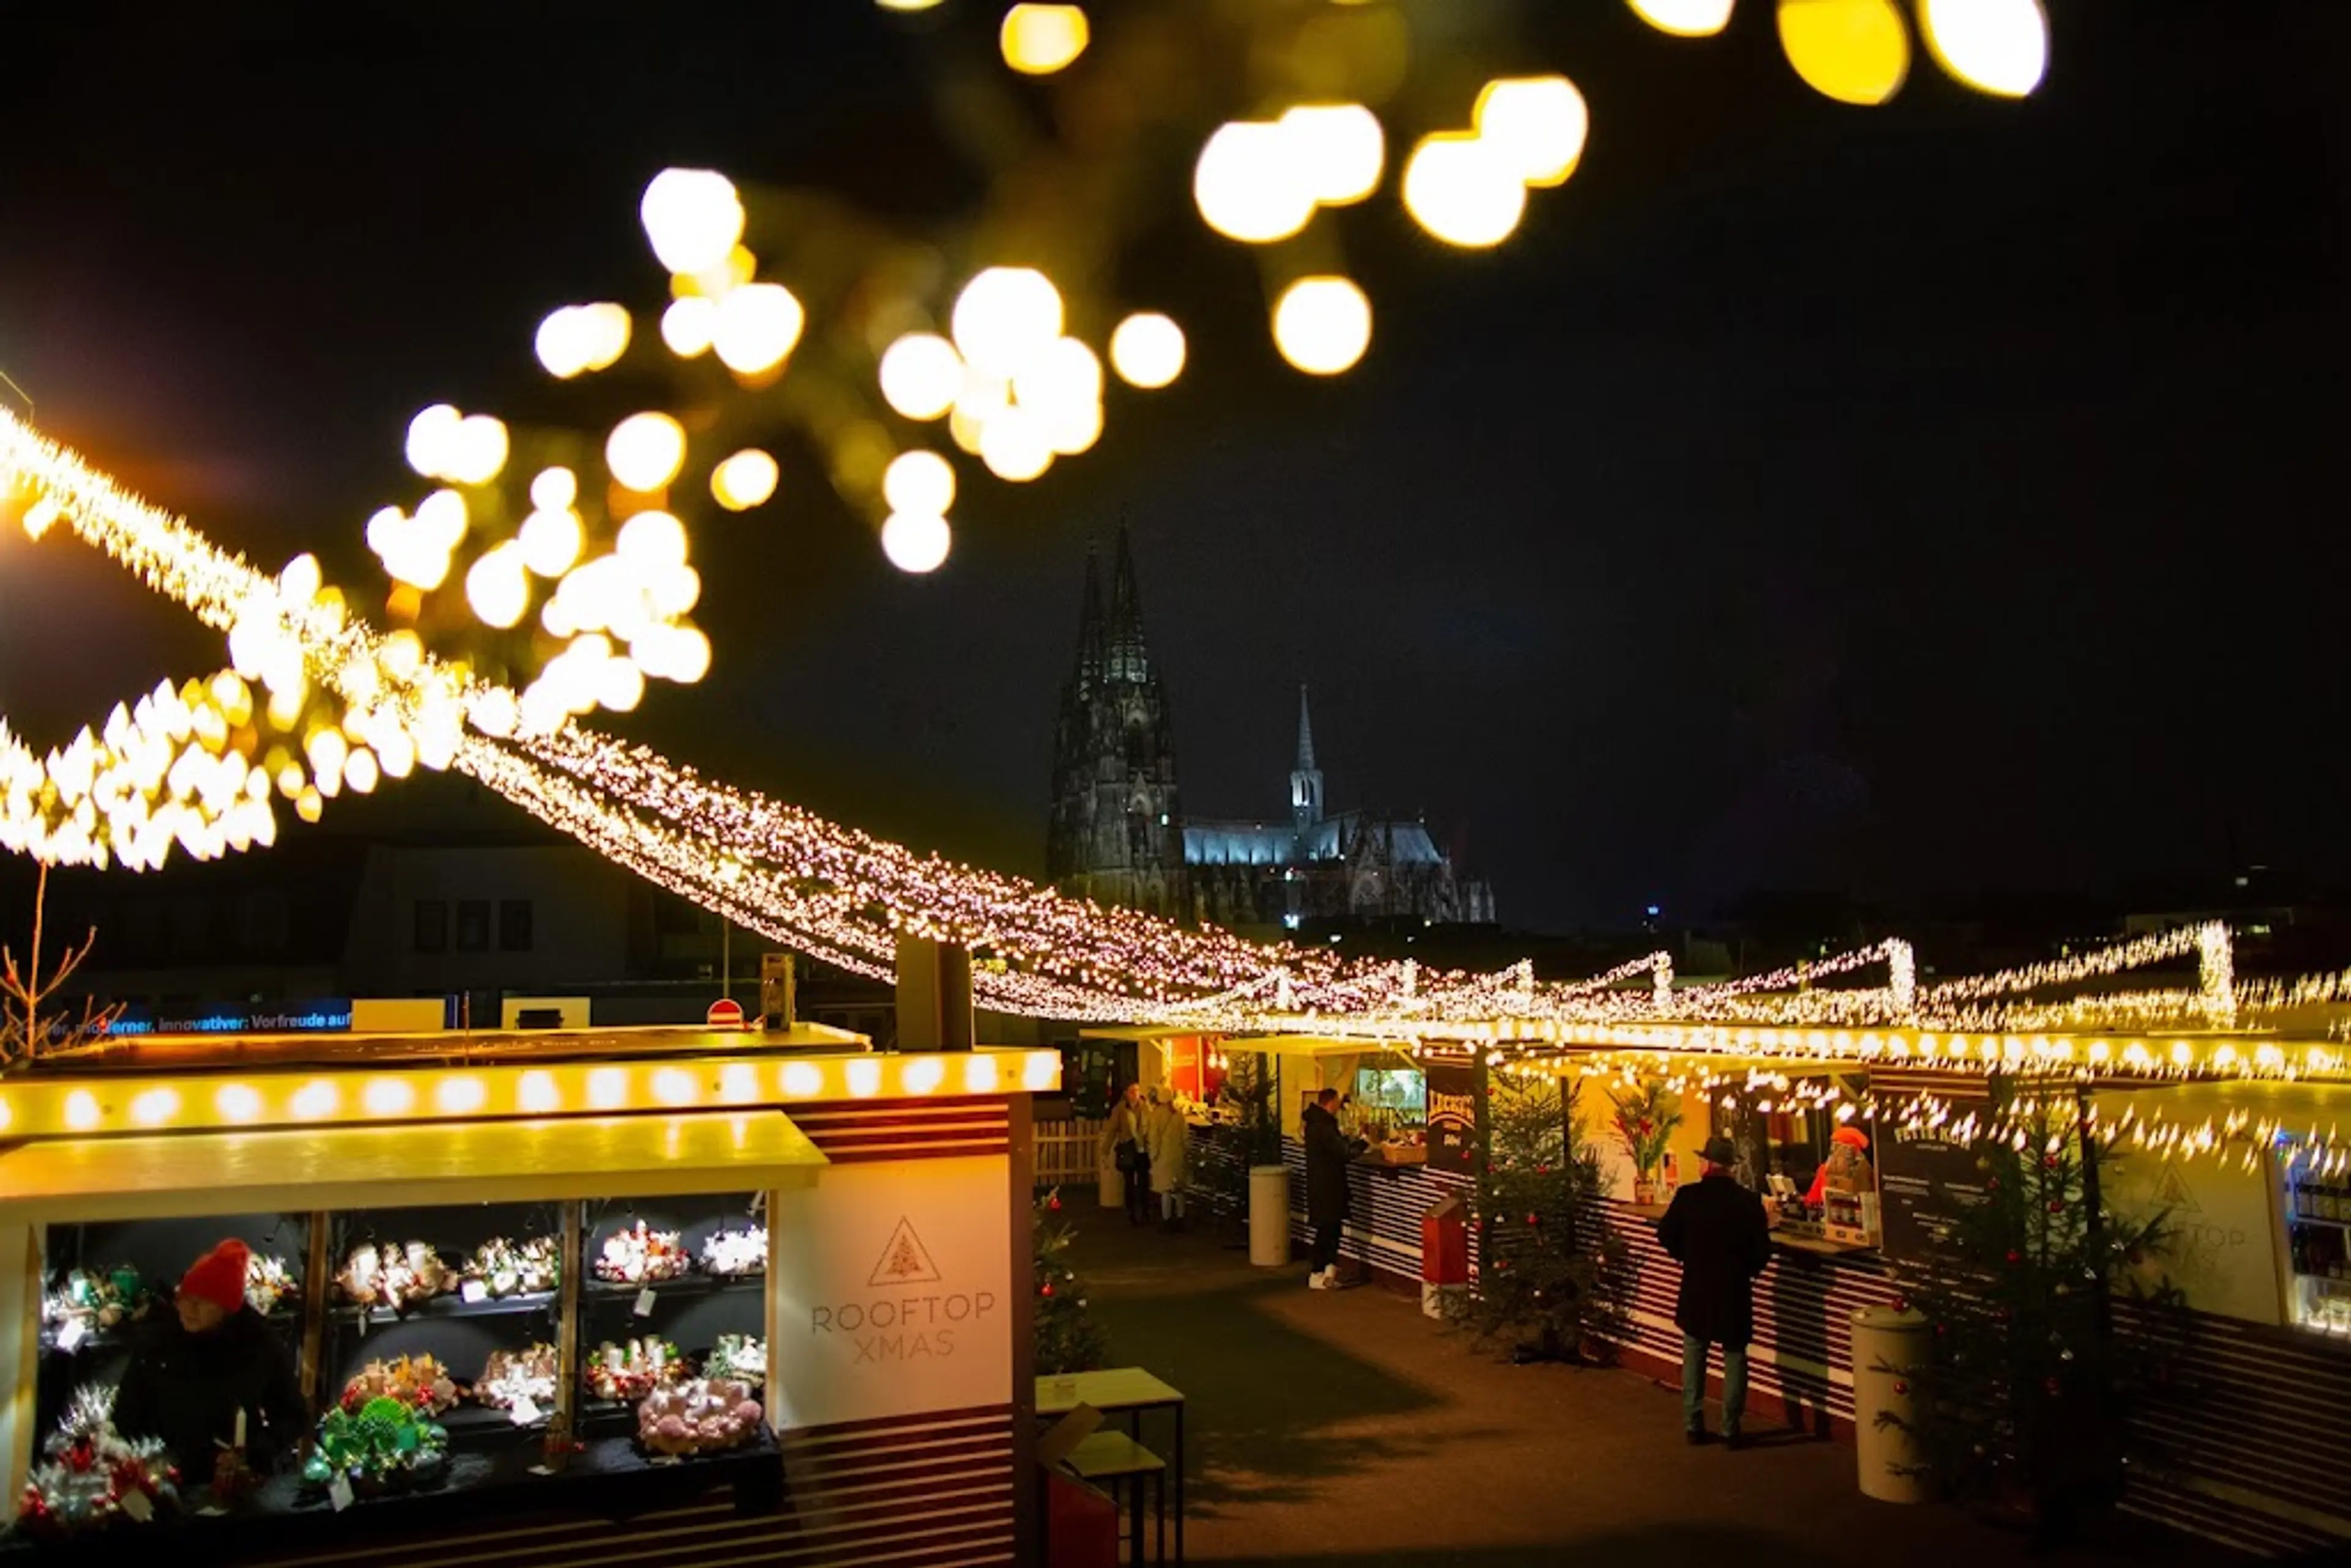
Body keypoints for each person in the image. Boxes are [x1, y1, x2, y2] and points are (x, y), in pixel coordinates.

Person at [114, 1239, 306, 1480]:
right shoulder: (161, 1339)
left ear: (226, 1309)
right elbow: (127, 1412)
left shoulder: (257, 1343)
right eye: (184, 1298)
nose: (188, 1309)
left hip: (235, 1481)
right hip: (162, 1477)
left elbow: (293, 1415)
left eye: (201, 1302)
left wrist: (254, 1452)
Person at [1655, 1135, 1774, 1448]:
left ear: (1707, 1163)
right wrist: (1746, 1271)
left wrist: (1687, 1256)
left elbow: (1665, 1234)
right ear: (1731, 1166)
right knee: (1735, 1356)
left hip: (1697, 1285)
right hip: (1735, 1289)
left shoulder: (1688, 1196)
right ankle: (1730, 1428)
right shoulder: (1748, 1201)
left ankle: (1694, 1424)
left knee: (1695, 1351)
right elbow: (1763, 1250)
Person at [1301, 1087, 1366, 1289]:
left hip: (1321, 1184)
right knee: (1328, 1230)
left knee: (1329, 1229)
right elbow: (1343, 1153)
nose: (1340, 1106)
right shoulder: (1324, 1126)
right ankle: (1319, 1272)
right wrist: (1362, 1143)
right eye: (1338, 1102)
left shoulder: (1315, 1124)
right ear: (1331, 1102)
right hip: (1329, 1186)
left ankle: (1327, 1272)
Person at [1102, 1081, 1153, 1226]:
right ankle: (1131, 1213)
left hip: (1142, 1148)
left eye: (1137, 1090)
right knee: (1129, 1182)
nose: (1135, 1094)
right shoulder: (1120, 1110)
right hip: (1128, 1147)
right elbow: (1112, 1130)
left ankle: (1145, 1211)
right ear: (1126, 1093)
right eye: (1132, 1091)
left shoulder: (1145, 1107)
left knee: (1144, 1181)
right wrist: (1105, 1150)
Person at [1146, 1086, 1190, 1231]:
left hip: (1163, 1157)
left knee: (1166, 1189)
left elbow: (1154, 1137)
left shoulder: (1156, 1115)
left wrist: (1153, 1155)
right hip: (1177, 1156)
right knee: (1178, 1188)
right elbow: (1186, 1136)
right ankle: (1181, 1217)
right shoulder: (1178, 1114)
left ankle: (1167, 1219)